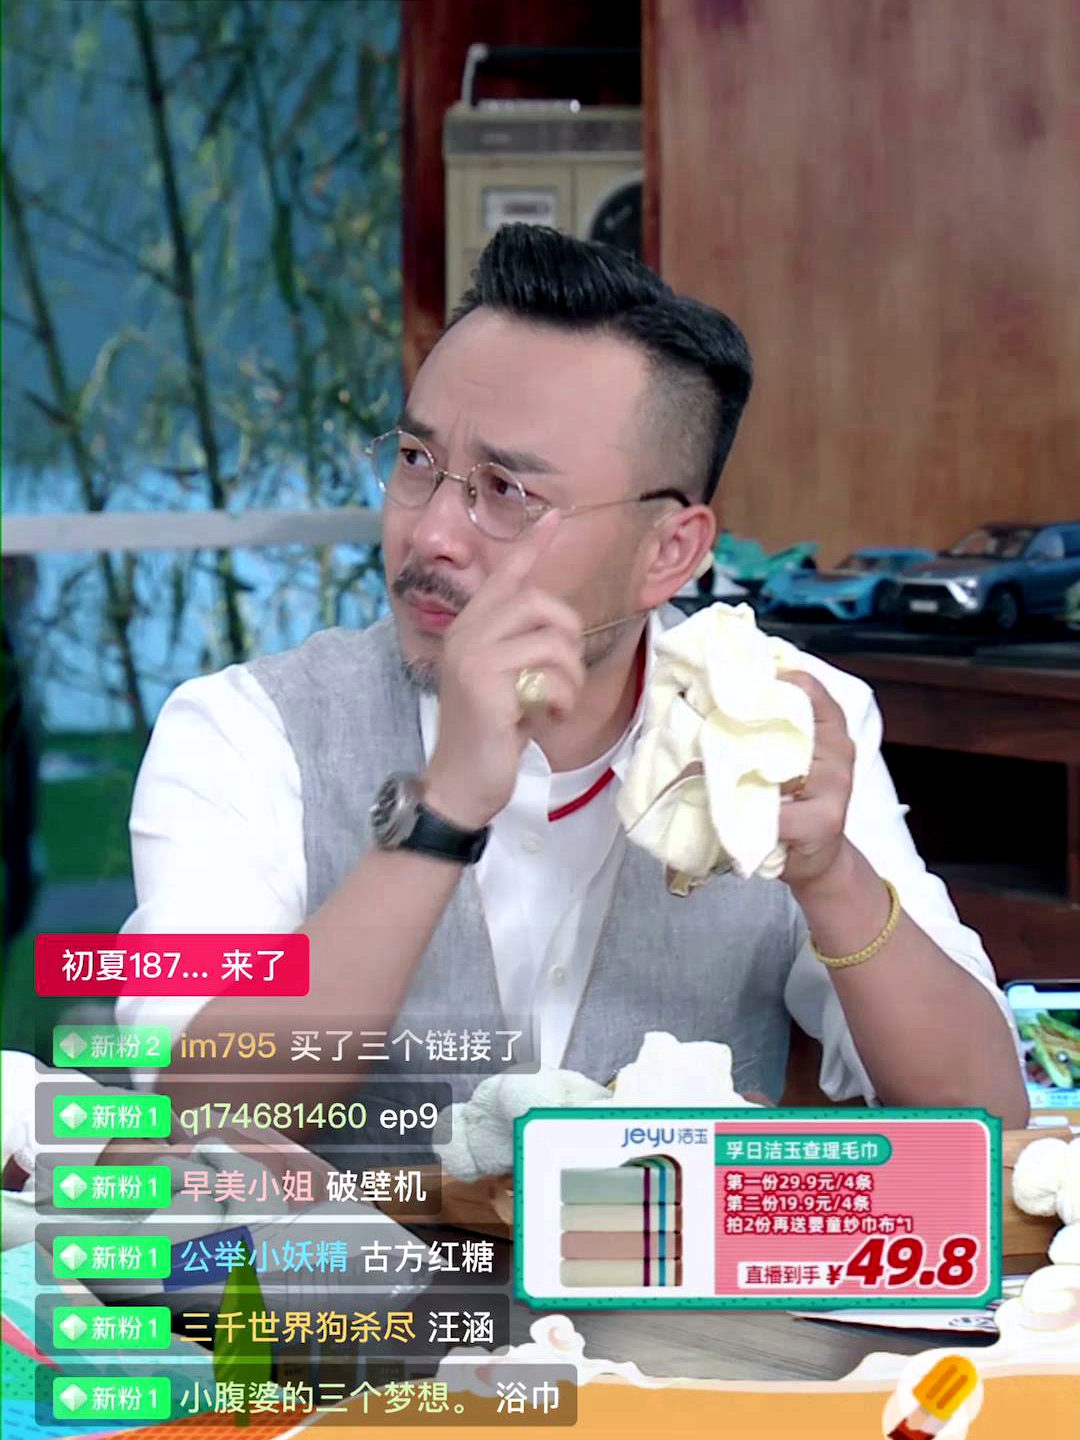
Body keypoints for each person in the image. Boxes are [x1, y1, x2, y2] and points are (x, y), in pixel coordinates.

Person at [118, 225, 1027, 1131]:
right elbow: (193, 1107)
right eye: (417, 461)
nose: (430, 533)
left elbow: (988, 1117)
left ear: (669, 553)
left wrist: (831, 877)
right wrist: (441, 815)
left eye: (507, 491)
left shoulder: (782, 722)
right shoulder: (245, 729)